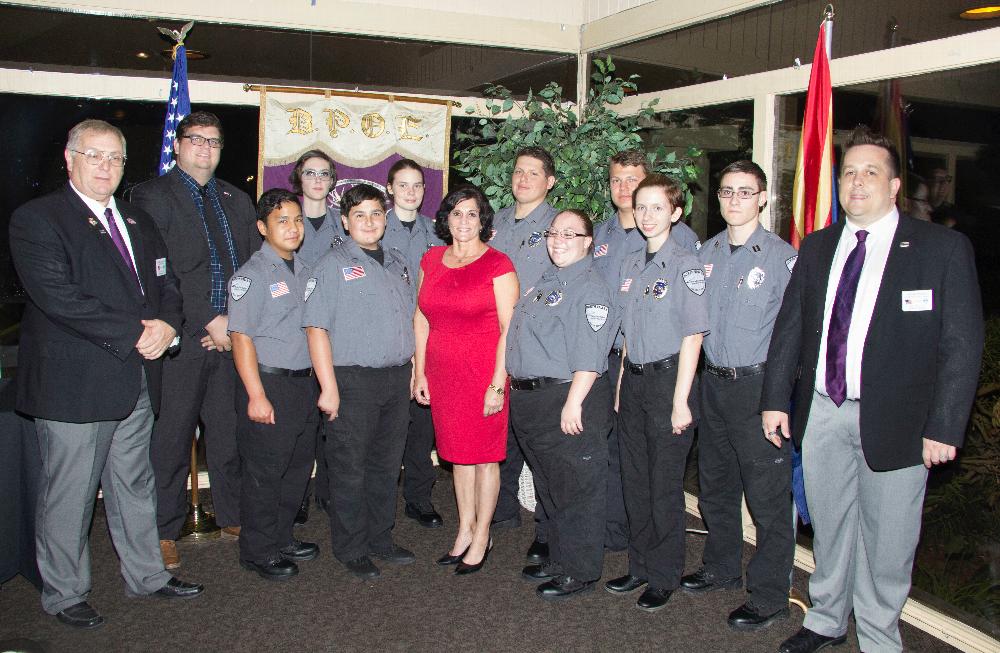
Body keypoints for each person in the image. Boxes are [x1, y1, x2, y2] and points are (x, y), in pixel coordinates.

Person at [762, 126, 983, 653]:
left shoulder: (940, 249)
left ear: (894, 186)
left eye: (871, 172)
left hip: (901, 422)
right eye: (849, 172)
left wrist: (945, 425)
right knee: (832, 526)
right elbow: (789, 329)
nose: (857, 182)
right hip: (824, 410)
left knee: (889, 541)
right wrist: (773, 399)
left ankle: (881, 637)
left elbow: (962, 344)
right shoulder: (817, 246)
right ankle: (826, 620)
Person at [10, 119, 204, 629]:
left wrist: (168, 325)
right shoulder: (39, 219)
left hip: (138, 379)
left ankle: (147, 577)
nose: (105, 167)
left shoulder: (139, 221)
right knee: (70, 493)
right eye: (93, 156)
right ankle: (65, 592)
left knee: (134, 483)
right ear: (70, 159)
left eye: (115, 158)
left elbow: (168, 284)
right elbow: (59, 298)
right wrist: (139, 332)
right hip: (75, 384)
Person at [130, 110, 260, 569]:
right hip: (180, 341)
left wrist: (234, 323)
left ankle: (233, 515)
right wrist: (209, 321)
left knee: (228, 435)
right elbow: (161, 271)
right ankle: (163, 531)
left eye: (214, 142)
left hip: (230, 339)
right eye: (196, 140)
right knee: (170, 439)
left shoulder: (236, 199)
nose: (205, 148)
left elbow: (251, 269)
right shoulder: (151, 197)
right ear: (179, 145)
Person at [682, 160, 796, 631]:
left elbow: (794, 336)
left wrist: (781, 398)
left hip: (759, 388)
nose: (733, 201)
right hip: (713, 384)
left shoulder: (782, 258)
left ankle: (769, 594)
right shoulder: (705, 254)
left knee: (768, 497)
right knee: (716, 485)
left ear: (763, 198)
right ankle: (722, 567)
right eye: (727, 192)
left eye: (745, 193)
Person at [604, 173, 708, 613]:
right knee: (635, 478)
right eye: (641, 207)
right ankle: (640, 565)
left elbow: (693, 336)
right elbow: (628, 336)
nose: (647, 215)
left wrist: (681, 399)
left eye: (657, 208)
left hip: (670, 382)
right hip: (635, 383)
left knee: (663, 485)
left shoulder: (686, 265)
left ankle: (664, 574)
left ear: (676, 213)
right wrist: (623, 384)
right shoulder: (630, 265)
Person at [303, 184, 416, 580]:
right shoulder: (330, 266)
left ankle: (380, 538)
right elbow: (316, 329)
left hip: (396, 378)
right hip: (351, 381)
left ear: (385, 218)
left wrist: (415, 370)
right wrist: (328, 388)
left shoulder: (399, 261)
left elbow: (409, 320)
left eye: (376, 214)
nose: (369, 222)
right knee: (350, 467)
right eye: (360, 215)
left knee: (387, 465)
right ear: (346, 221)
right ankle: (352, 547)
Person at [507, 209, 616, 599]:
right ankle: (557, 556)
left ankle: (580, 570)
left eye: (570, 234)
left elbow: (590, 353)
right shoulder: (545, 282)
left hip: (569, 397)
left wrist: (573, 404)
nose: (559, 240)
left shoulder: (589, 287)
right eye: (554, 233)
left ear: (588, 241)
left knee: (577, 489)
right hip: (533, 400)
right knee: (549, 486)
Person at [413, 185, 518, 575]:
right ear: (445, 219)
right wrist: (419, 370)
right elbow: (421, 317)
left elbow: (510, 328)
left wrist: (497, 382)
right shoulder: (432, 259)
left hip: (483, 372)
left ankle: (483, 534)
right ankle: (464, 529)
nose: (463, 220)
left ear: (483, 220)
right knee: (456, 456)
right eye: (456, 213)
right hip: (443, 373)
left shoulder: (498, 264)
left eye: (471, 213)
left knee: (485, 458)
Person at [228, 189, 320, 580]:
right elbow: (241, 338)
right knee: (265, 473)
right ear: (262, 227)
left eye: (297, 219)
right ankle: (257, 550)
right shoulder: (251, 276)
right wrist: (256, 395)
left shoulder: (301, 269)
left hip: (303, 386)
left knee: (296, 469)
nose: (293, 227)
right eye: (282, 220)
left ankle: (282, 537)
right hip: (269, 385)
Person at [488, 146, 559, 565]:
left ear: (549, 182)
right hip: (493, 344)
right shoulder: (493, 222)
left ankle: (547, 530)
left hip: (537, 346)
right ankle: (502, 510)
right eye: (518, 171)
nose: (524, 178)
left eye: (534, 173)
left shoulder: (558, 227)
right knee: (502, 431)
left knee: (540, 443)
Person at [383, 159, 446, 529]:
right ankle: (380, 499)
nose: (411, 192)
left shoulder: (438, 233)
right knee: (390, 429)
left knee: (423, 427)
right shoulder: (373, 229)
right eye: (403, 185)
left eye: (417, 185)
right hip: (389, 343)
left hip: (429, 343)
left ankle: (419, 498)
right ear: (389, 188)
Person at [288, 149, 339, 525]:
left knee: (335, 424)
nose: (317, 180)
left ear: (333, 180)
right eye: (310, 173)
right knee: (302, 424)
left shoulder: (344, 223)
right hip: (295, 332)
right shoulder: (287, 221)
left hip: (338, 333)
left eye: (324, 173)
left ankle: (329, 493)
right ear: (299, 179)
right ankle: (297, 496)